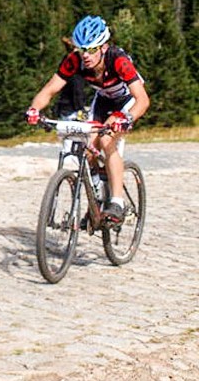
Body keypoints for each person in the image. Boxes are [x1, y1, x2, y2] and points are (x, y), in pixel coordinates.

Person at [25, 15, 150, 224]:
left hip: (126, 102)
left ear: (103, 47)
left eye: (91, 49)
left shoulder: (118, 60)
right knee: (87, 145)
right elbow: (50, 89)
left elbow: (143, 99)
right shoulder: (75, 60)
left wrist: (126, 118)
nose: (86, 55)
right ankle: (97, 200)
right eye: (82, 49)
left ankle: (117, 202)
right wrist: (34, 109)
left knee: (107, 140)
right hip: (103, 100)